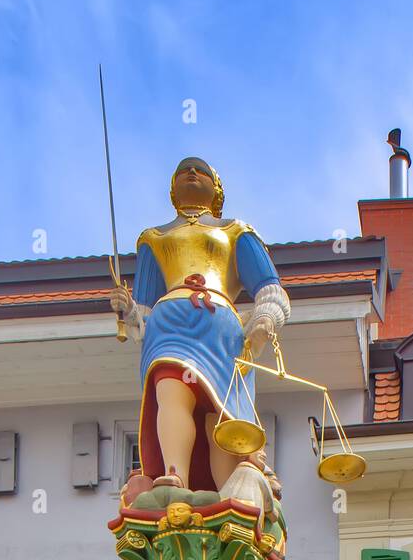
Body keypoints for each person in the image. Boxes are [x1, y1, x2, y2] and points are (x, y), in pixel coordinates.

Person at [111, 158, 290, 492]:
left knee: (218, 415)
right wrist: (130, 312)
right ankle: (175, 473)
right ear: (173, 189)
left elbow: (270, 287)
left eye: (200, 171)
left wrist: (265, 318)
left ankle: (229, 493)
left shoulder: (235, 231)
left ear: (216, 187)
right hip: (168, 325)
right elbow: (145, 310)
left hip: (220, 328)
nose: (191, 173)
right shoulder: (155, 238)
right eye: (183, 171)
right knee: (171, 387)